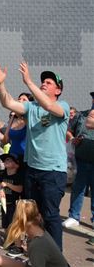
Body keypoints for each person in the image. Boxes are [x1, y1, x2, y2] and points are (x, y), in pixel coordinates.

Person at [0, 61, 69, 250]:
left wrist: (29, 82)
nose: (44, 83)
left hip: (52, 172)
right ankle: (37, 252)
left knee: (50, 215)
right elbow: (8, 102)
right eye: (43, 81)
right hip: (32, 169)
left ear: (58, 90)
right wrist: (1, 84)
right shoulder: (32, 107)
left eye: (49, 82)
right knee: (32, 214)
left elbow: (50, 107)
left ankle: (55, 257)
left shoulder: (63, 106)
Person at [0, 199, 69, 267]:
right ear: (38, 217)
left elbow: (38, 251)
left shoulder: (36, 245)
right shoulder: (40, 232)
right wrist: (28, 250)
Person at [63, 92, 94, 230]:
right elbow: (69, 131)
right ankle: (74, 216)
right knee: (77, 188)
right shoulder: (82, 115)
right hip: (81, 160)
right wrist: (72, 139)